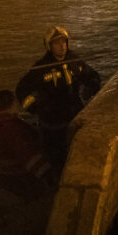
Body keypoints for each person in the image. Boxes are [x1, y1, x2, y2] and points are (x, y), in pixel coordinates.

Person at [16, 26, 101, 168]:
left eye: (64, 42)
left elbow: (93, 76)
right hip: (53, 125)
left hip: (75, 116)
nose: (62, 46)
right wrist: (36, 108)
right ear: (49, 46)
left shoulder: (75, 61)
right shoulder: (41, 68)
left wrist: (90, 88)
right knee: (58, 159)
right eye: (57, 43)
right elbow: (21, 90)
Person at [0, 90, 52, 199]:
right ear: (13, 103)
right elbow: (27, 154)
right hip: (18, 174)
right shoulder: (11, 128)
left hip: (6, 172)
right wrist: (46, 174)